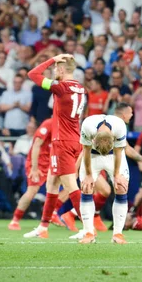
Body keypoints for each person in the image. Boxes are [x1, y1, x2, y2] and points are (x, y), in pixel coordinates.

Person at [24, 54, 85, 239]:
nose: (52, 72)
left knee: (70, 185)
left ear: (60, 69)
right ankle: (43, 227)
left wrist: (52, 59)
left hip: (62, 142)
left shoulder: (60, 87)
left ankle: (88, 227)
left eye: (54, 68)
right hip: (74, 139)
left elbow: (33, 74)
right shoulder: (81, 88)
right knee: (52, 183)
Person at [77, 112, 130, 244]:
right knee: (86, 187)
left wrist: (117, 175)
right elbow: (86, 151)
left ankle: (118, 234)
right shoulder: (87, 126)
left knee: (122, 188)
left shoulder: (119, 126)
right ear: (94, 140)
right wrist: (89, 175)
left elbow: (118, 152)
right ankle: (88, 232)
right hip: (92, 156)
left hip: (114, 157)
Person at [9, 118, 63, 230]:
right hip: (38, 163)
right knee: (32, 191)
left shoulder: (66, 124)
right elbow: (36, 144)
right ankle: (15, 220)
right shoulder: (48, 123)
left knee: (66, 186)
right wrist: (34, 167)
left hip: (51, 161)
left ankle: (53, 212)